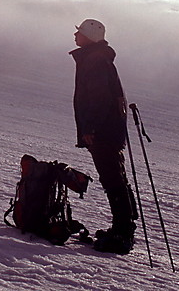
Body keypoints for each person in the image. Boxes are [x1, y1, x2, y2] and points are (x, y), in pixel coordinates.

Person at [69, 19, 137, 254]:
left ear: (89, 36)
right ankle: (124, 228)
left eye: (79, 32)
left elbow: (98, 99)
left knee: (113, 181)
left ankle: (123, 234)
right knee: (116, 178)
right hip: (110, 129)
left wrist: (91, 128)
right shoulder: (98, 58)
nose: (75, 35)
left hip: (104, 131)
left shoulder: (95, 61)